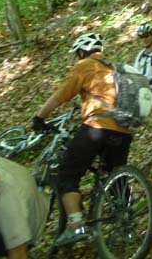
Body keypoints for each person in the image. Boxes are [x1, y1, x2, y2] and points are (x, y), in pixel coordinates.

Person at [31, 33, 132, 246]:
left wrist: (40, 117)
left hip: (98, 126)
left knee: (66, 174)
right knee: (114, 176)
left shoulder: (86, 65)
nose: (77, 57)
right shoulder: (114, 68)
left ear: (82, 51)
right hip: (124, 130)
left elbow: (61, 95)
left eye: (77, 54)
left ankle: (77, 225)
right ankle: (128, 221)